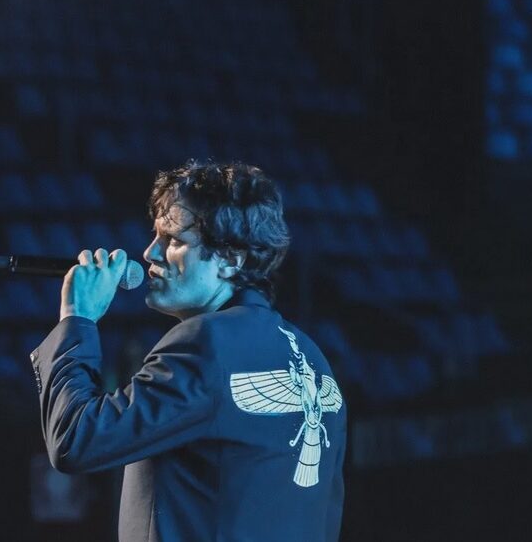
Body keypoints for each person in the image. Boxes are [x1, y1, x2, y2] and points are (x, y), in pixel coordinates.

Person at [30, 161, 346, 541]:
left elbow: (77, 439)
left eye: (174, 240)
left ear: (231, 260)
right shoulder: (313, 358)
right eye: (156, 236)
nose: (150, 253)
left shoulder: (205, 343)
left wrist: (77, 319)